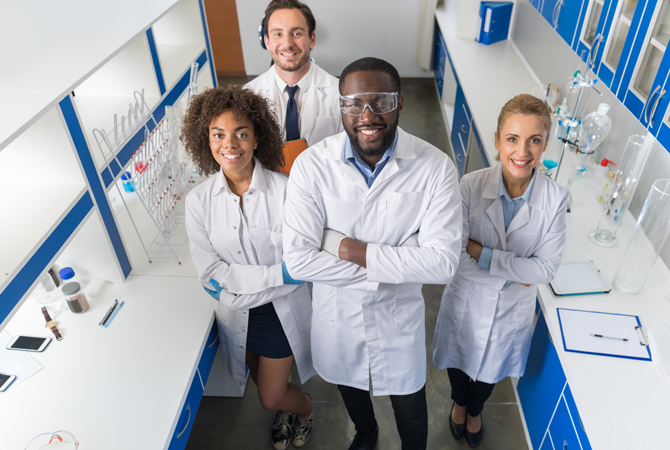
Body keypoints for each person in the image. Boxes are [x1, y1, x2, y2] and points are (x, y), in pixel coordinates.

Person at [282, 57, 462, 450]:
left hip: (398, 321)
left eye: (380, 101)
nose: (367, 115)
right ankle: (367, 434)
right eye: (353, 103)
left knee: (411, 406)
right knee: (350, 388)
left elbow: (443, 263)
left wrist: (342, 246)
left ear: (399, 103)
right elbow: (297, 260)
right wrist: (400, 258)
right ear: (340, 106)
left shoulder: (435, 168)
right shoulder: (312, 166)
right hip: (338, 317)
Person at [432, 93, 568, 448]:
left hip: (510, 313)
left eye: (534, 141)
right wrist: (517, 272)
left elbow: (546, 269)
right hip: (467, 300)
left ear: (544, 145)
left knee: (490, 374)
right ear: (497, 140)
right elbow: (456, 257)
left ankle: (474, 411)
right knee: (460, 364)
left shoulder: (555, 200)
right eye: (512, 139)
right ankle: (459, 405)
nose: (522, 152)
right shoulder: (469, 187)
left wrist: (482, 253)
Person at [183, 85, 315, 450]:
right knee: (260, 381)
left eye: (241, 134)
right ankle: (288, 410)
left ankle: (303, 411)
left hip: (278, 313)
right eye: (218, 135)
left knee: (270, 397)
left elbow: (300, 266)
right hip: (238, 314)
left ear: (257, 138)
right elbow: (210, 272)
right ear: (205, 140)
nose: (231, 144)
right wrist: (276, 275)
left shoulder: (288, 192)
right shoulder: (198, 202)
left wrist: (236, 283)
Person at [245, 0, 342, 147]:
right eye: (278, 34)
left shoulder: (340, 93)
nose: (287, 44)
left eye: (296, 33)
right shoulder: (247, 96)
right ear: (267, 41)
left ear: (312, 39)